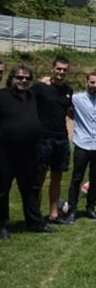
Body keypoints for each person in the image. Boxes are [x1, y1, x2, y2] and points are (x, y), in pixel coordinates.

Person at [0, 64, 51, 239]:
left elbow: (45, 86)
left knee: (30, 189)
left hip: (29, 153)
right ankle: (2, 226)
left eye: (27, 78)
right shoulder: (2, 96)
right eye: (19, 77)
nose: (23, 81)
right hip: (5, 153)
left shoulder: (32, 96)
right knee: (2, 190)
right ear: (11, 78)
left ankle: (35, 222)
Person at [32, 56, 73, 224]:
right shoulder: (40, 87)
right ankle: (35, 215)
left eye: (64, 70)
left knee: (57, 178)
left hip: (61, 139)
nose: (61, 72)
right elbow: (25, 98)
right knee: (38, 178)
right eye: (59, 69)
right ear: (52, 69)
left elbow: (70, 112)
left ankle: (54, 214)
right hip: (43, 139)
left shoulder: (68, 90)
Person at [65, 72, 96, 222]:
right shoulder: (76, 99)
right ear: (87, 82)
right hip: (82, 145)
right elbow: (68, 111)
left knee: (95, 179)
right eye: (92, 82)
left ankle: (90, 208)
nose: (95, 85)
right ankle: (72, 210)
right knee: (76, 179)